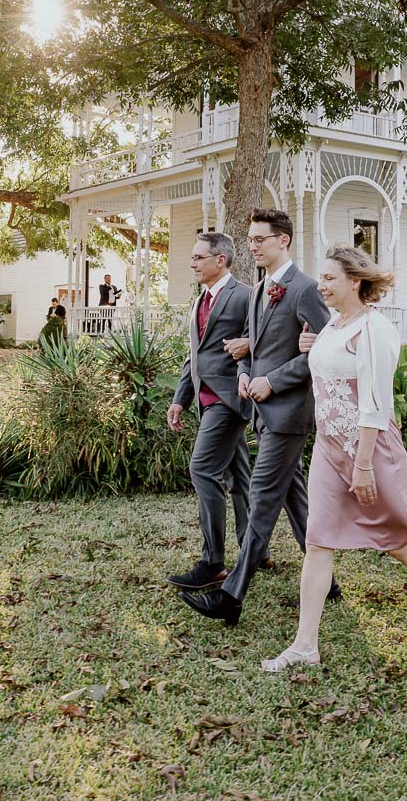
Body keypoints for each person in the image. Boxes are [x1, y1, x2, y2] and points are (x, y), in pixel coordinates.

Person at [261, 246, 407, 672]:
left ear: (354, 282)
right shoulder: (333, 325)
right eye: (320, 278)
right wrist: (311, 344)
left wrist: (361, 464)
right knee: (317, 541)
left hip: (369, 448)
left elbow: (375, 403)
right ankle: (305, 645)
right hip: (328, 448)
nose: (320, 285)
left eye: (329, 279)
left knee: (394, 536)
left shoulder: (376, 328)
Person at [178, 207, 331, 627]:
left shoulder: (305, 289)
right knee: (294, 496)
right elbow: (250, 349)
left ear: (283, 240)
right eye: (249, 239)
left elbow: (324, 350)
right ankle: (327, 579)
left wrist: (273, 381)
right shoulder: (261, 290)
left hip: (290, 412)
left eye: (259, 238)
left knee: (262, 498)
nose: (252, 245)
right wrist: (246, 376)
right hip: (262, 411)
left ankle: (230, 597)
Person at [164, 232, 257, 592]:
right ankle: (256, 550)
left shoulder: (246, 296)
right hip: (204, 400)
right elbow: (195, 356)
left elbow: (261, 341)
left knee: (202, 468)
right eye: (192, 257)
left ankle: (212, 562)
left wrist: (247, 350)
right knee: (239, 477)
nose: (193, 263)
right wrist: (180, 399)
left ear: (221, 260)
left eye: (200, 257)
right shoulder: (199, 300)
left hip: (229, 399)